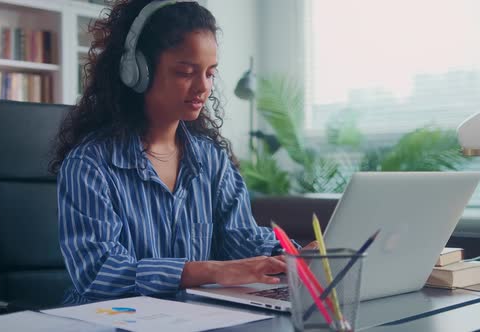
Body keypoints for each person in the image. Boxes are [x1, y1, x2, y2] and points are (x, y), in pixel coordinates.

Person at [50, 0, 316, 304]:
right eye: (185, 72)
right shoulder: (90, 165)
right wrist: (208, 271)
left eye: (210, 73)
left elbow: (241, 240)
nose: (203, 87)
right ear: (137, 71)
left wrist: (295, 255)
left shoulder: (211, 160)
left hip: (193, 318)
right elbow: (99, 273)